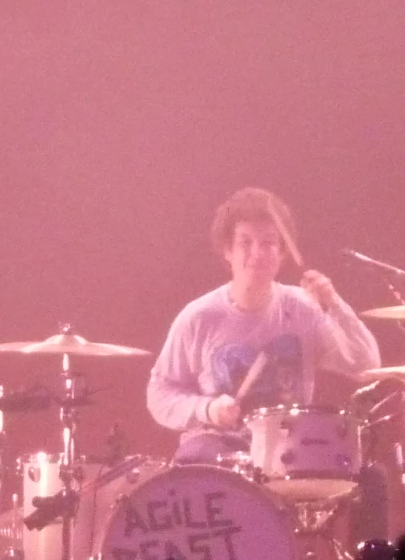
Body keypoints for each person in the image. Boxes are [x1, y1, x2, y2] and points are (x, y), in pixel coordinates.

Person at [148, 188, 382, 466]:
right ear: (227, 251)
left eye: (268, 243)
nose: (256, 253)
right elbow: (159, 394)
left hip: (289, 446)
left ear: (282, 253)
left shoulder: (303, 308)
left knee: (370, 476)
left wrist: (334, 305)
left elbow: (365, 366)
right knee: (194, 459)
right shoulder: (199, 317)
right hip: (218, 446)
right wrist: (207, 409)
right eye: (245, 243)